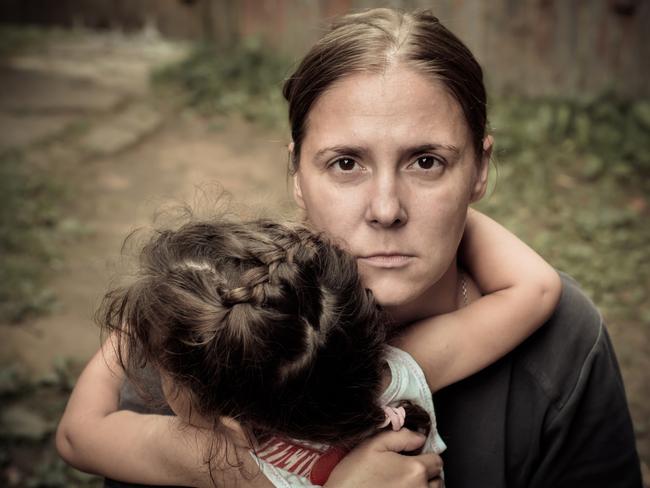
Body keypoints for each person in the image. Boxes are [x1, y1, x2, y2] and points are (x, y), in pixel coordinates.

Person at [66, 7, 643, 488]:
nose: (387, 209)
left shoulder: (564, 340)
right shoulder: (209, 325)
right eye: (346, 163)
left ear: (480, 169)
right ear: (296, 173)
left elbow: (82, 433)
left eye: (427, 162)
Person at [57, 208, 560, 487]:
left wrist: (130, 329)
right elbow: (533, 289)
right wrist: (441, 206)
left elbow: (80, 435)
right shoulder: (403, 369)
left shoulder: (227, 458)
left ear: (226, 416)